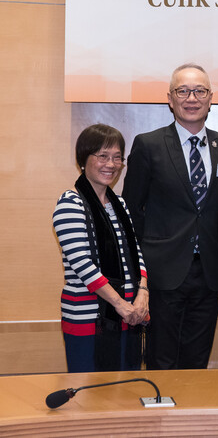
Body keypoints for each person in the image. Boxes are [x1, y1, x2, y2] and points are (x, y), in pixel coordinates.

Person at [123, 63, 218, 370]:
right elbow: (131, 209)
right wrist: (146, 259)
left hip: (210, 273)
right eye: (183, 91)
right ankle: (160, 416)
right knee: (161, 357)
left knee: (197, 359)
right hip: (163, 273)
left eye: (199, 91)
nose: (191, 98)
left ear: (210, 98)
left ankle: (190, 417)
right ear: (170, 99)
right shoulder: (148, 144)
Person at [53, 124, 149, 372]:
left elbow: (135, 255)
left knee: (126, 391)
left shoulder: (120, 205)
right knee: (91, 395)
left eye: (117, 158)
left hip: (128, 317)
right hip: (89, 319)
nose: (111, 164)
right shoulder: (70, 203)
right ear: (83, 160)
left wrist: (142, 295)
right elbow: (82, 264)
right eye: (103, 156)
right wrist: (119, 304)